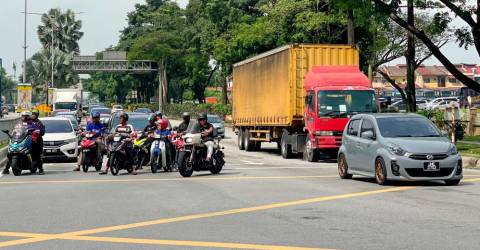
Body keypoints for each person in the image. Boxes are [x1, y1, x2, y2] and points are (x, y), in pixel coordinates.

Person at [30, 109, 46, 175]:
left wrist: (38, 132)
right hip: (28, 140)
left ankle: (41, 169)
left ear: (37, 115)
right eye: (33, 113)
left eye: (35, 114)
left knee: (37, 155)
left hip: (37, 141)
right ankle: (7, 168)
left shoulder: (39, 123)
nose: (33, 115)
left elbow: (42, 131)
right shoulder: (28, 121)